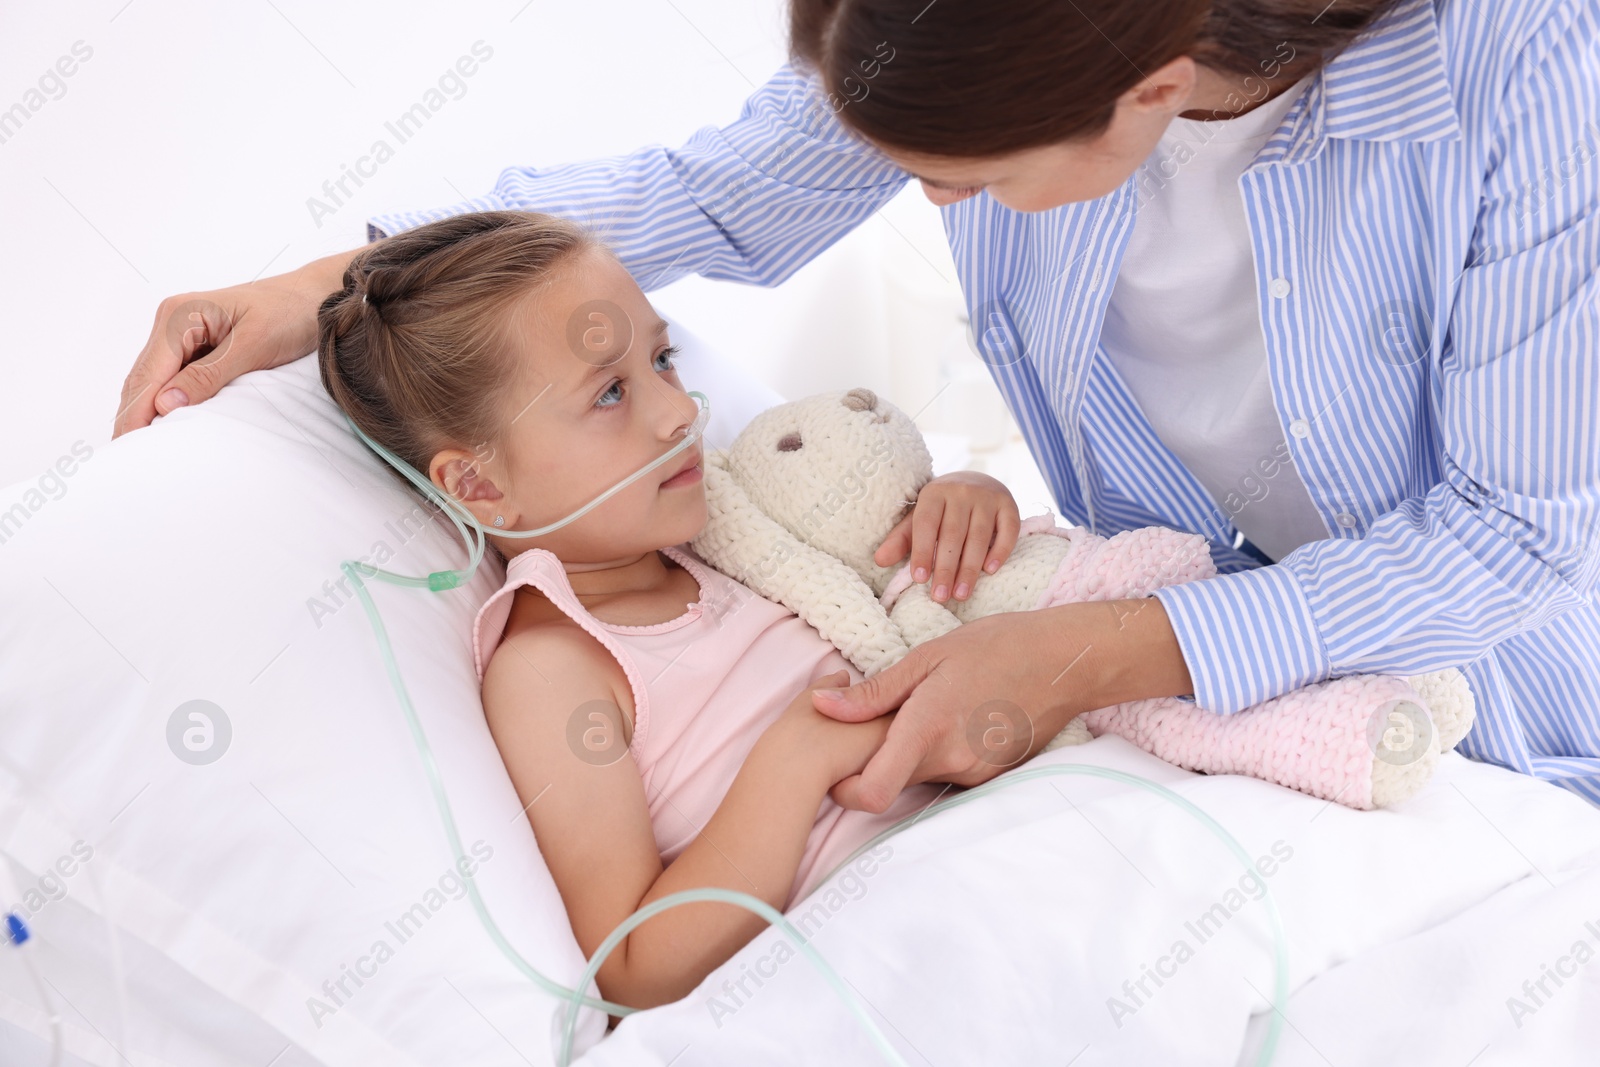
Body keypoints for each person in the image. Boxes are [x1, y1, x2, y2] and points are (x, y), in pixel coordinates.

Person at [116, 0, 1600, 808]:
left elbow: (1509, 535)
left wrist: (1079, 652)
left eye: (959, 183)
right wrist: (340, 278)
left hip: (1534, 692)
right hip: (1212, 712)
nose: (929, 199)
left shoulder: (1525, 59)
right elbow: (713, 195)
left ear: (1151, 92)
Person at [314, 208, 1021, 1009]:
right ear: (479, 486)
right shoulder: (555, 667)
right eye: (611, 391)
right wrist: (797, 756)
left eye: (664, 358)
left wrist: (962, 502)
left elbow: (886, 557)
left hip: (1003, 832)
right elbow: (631, 964)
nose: (680, 411)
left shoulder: (735, 522)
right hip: (892, 947)